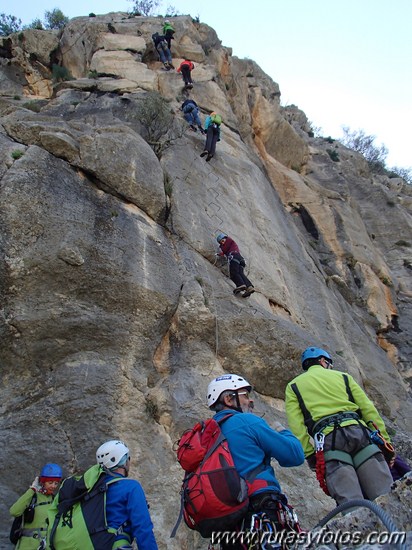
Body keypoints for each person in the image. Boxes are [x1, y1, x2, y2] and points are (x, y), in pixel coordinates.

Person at [285, 347, 394, 505]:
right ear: (323, 361)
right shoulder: (344, 377)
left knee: (351, 502)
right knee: (384, 495)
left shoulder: (293, 386)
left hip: (329, 441)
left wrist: (309, 454)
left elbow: (296, 426)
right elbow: (368, 410)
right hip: (359, 433)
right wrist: (384, 440)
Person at [207, 374, 305, 549]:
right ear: (229, 399)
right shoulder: (247, 421)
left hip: (226, 524)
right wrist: (282, 431)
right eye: (245, 395)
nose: (250, 401)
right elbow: (295, 455)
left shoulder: (205, 436)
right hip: (262, 508)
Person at [95, 440, 158, 549]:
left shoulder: (91, 489)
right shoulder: (131, 487)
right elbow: (143, 529)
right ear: (123, 462)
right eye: (128, 458)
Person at [10, 463, 62, 549]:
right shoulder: (32, 496)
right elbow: (14, 511)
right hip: (28, 545)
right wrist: (32, 489)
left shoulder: (54, 500)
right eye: (50, 482)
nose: (53, 486)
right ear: (43, 482)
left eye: (56, 483)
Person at [216, 232, 255, 297]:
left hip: (234, 257)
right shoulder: (230, 244)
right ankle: (249, 287)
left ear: (225, 238)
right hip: (241, 259)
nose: (222, 243)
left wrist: (221, 249)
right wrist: (220, 254)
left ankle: (240, 284)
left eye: (222, 241)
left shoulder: (229, 240)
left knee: (233, 273)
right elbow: (225, 251)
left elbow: (225, 249)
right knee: (241, 274)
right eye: (220, 242)